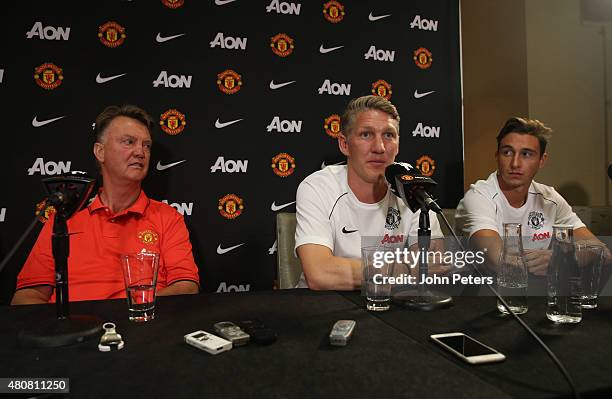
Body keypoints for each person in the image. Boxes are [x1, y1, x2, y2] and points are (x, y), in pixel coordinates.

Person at [12, 105, 200, 304]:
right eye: (129, 142)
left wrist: (124, 313)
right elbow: (27, 296)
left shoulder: (167, 218)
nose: (140, 152)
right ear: (100, 152)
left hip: (143, 328)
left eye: (146, 145)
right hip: (75, 332)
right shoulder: (64, 217)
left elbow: (186, 287)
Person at [294, 95, 444, 290]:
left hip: (389, 304)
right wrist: (406, 269)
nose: (379, 148)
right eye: (366, 134)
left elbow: (435, 264)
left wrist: (367, 271)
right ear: (344, 145)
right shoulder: (318, 187)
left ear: (398, 144)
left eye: (388, 135)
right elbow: (321, 274)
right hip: (321, 307)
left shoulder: (412, 183)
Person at [455, 117, 609, 275]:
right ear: (497, 156)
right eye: (507, 152)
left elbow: (600, 251)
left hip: (536, 294)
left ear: (542, 160)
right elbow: (496, 261)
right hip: (480, 294)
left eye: (526, 154)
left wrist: (558, 259)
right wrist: (561, 261)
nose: (515, 163)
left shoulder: (550, 198)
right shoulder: (478, 197)